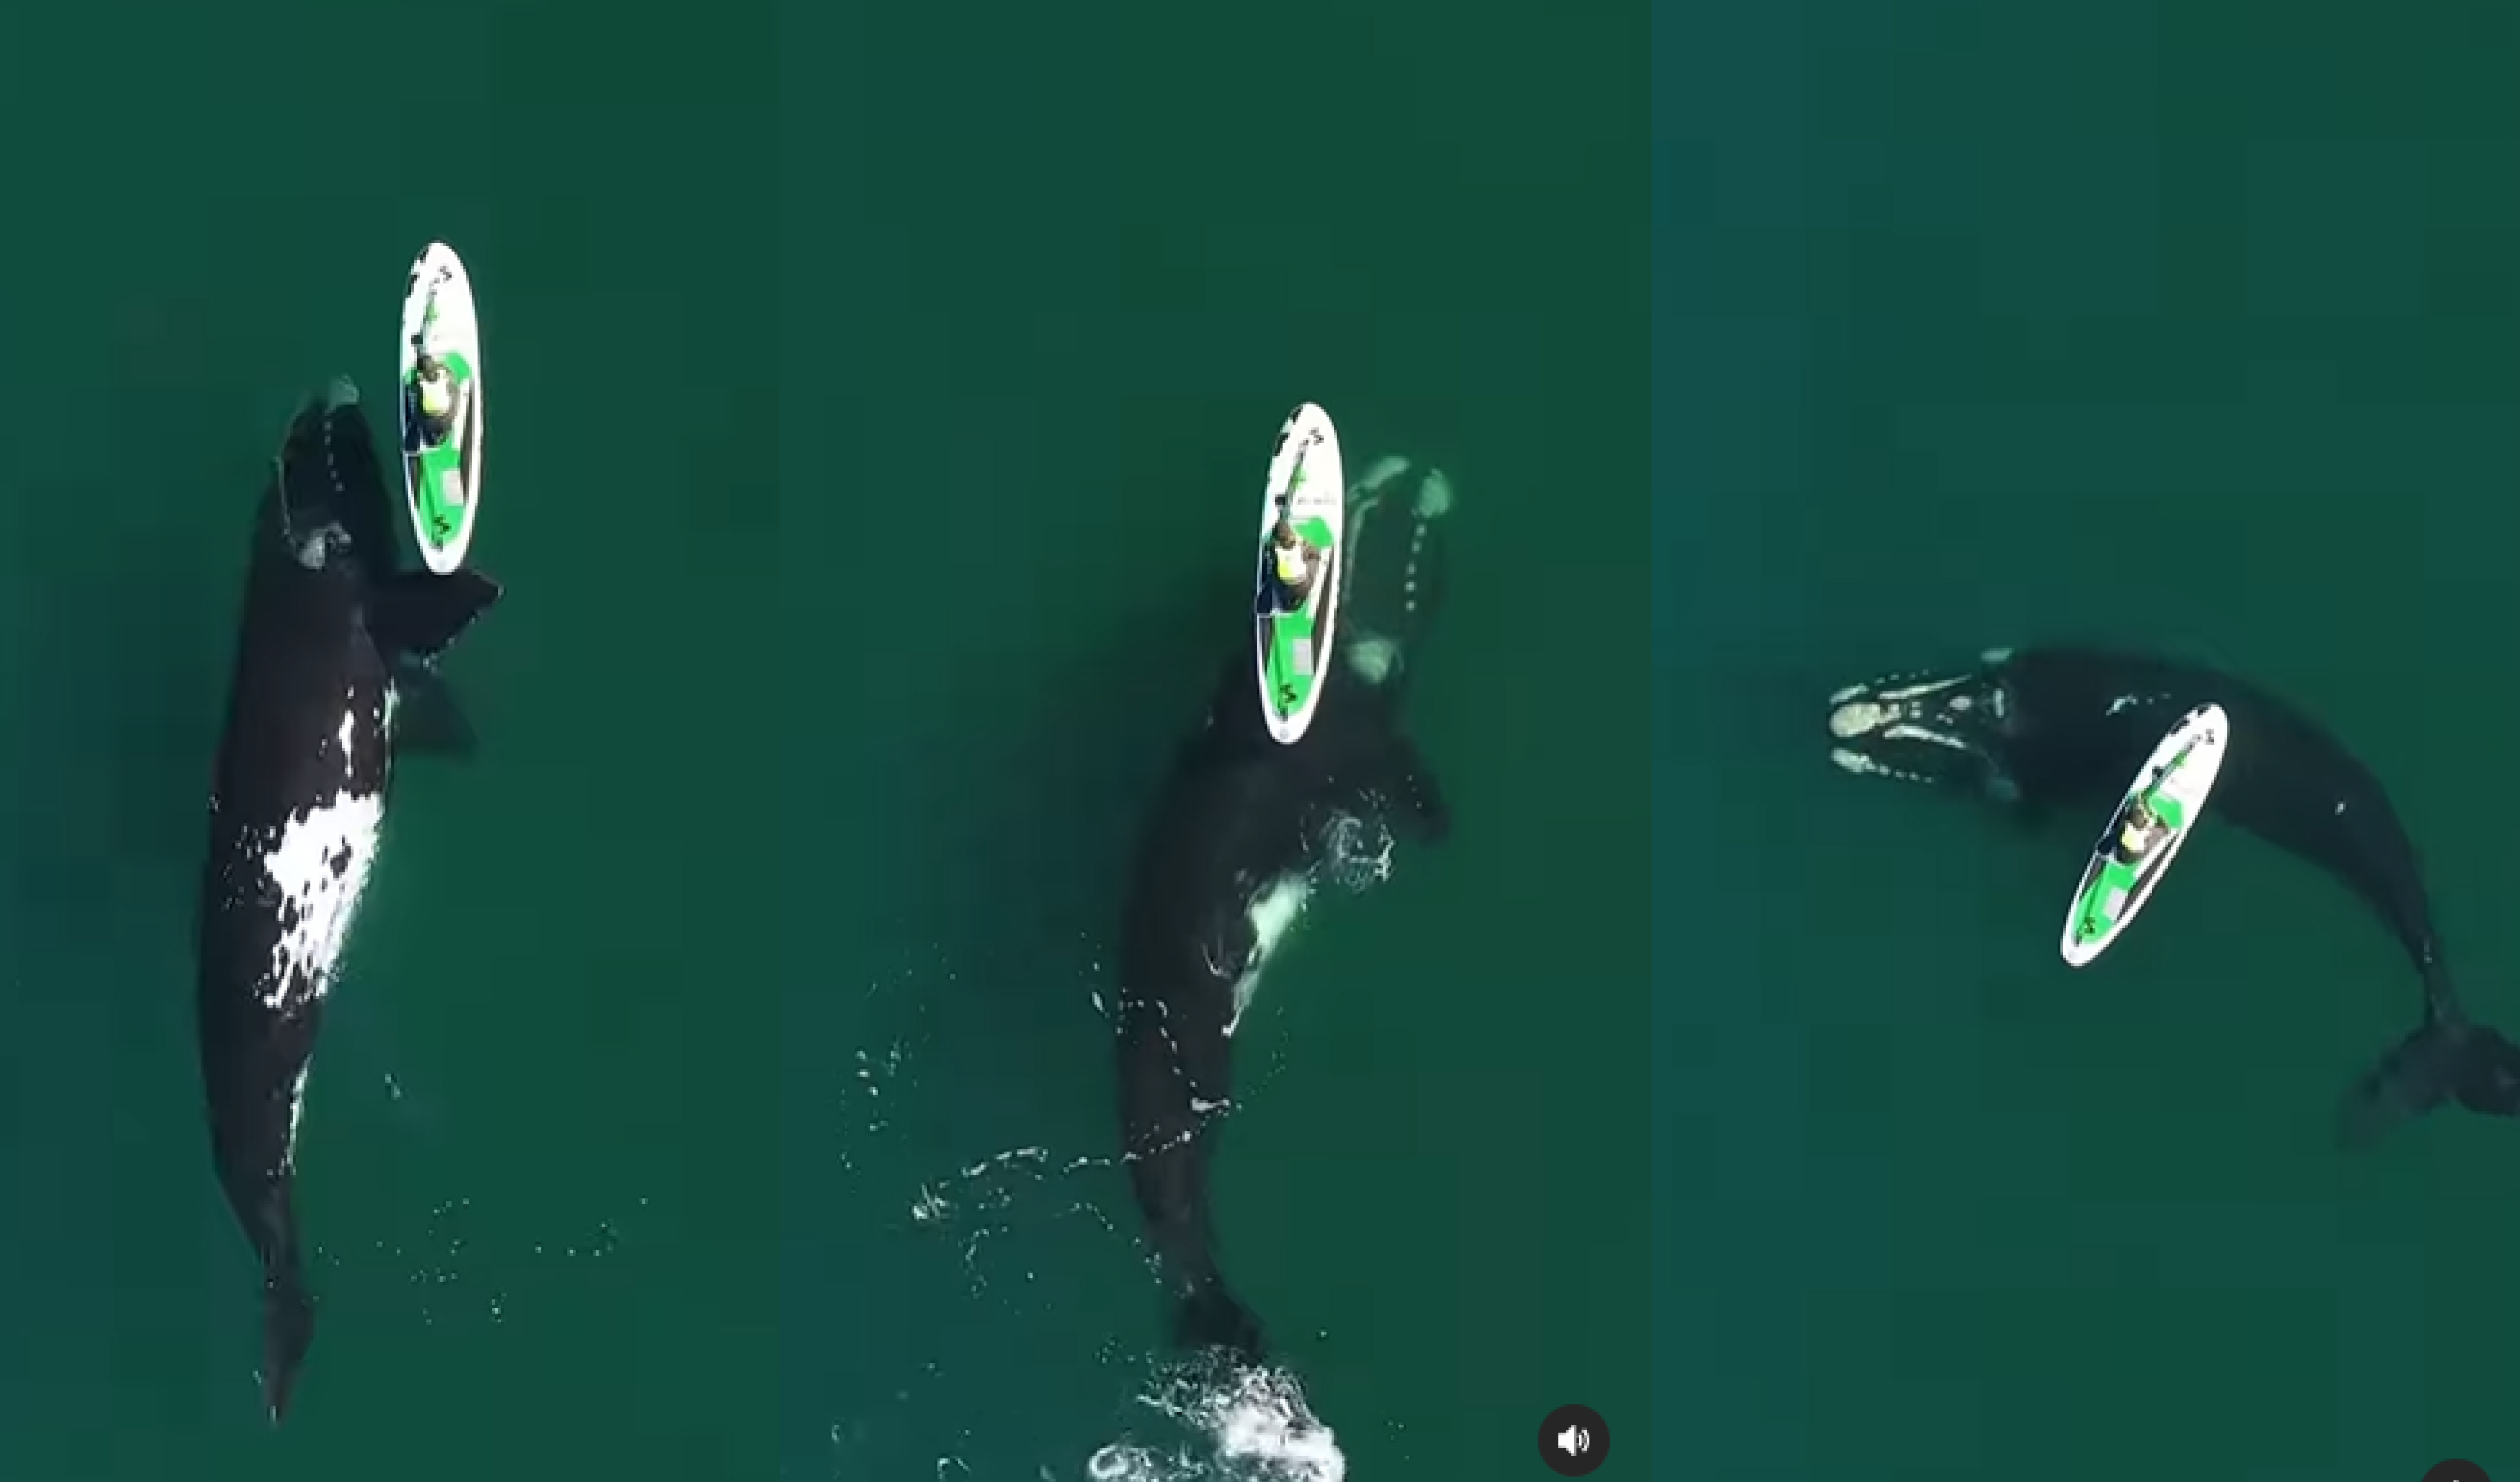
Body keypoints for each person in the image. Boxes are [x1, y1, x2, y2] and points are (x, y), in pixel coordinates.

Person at [409, 349, 459, 450]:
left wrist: (416, 374)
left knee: (417, 403)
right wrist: (440, 365)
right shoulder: (445, 376)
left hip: (429, 423)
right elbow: (450, 374)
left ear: (421, 373)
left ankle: (429, 441)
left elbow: (412, 387)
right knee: (453, 390)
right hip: (448, 418)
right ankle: (446, 435)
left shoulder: (419, 384)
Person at [1268, 514, 1317, 612]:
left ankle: (1287, 605)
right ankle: (1303, 596)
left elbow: (1273, 549)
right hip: (1305, 586)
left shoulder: (1275, 549)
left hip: (1288, 587)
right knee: (1313, 556)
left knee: (1275, 569)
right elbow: (1311, 550)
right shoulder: (1301, 544)